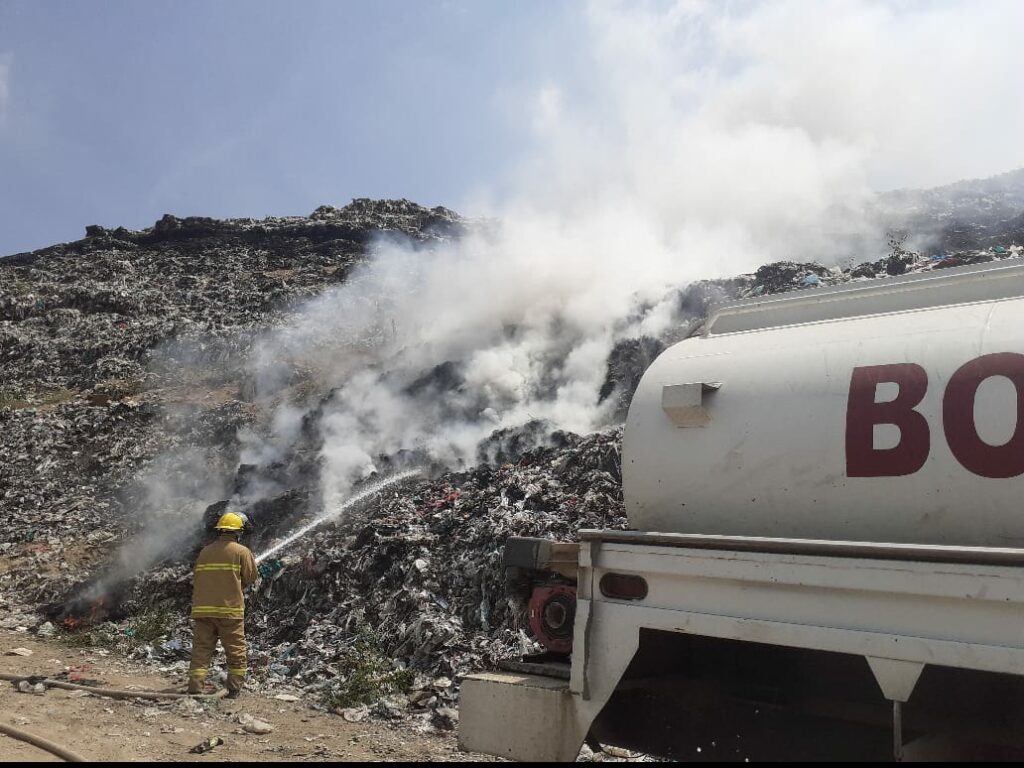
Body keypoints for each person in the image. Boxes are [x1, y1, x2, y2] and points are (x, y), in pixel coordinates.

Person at [187, 512, 258, 698]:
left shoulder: (205, 551)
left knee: (201, 650)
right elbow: (251, 577)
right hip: (229, 611)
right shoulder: (242, 552)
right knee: (235, 650)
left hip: (203, 610)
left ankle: (195, 688)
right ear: (238, 532)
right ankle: (234, 688)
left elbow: (198, 577)